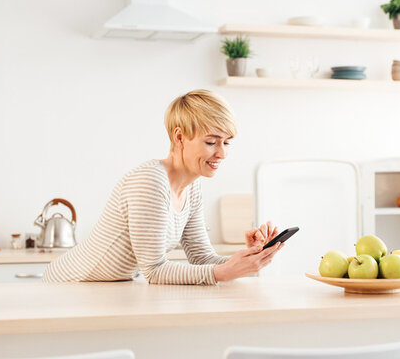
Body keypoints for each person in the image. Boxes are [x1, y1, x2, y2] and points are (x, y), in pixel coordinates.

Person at [43, 89, 283, 285]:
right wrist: (224, 272)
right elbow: (155, 271)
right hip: (67, 285)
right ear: (179, 138)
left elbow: (202, 259)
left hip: (100, 288)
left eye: (227, 143)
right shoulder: (150, 180)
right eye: (211, 142)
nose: (222, 153)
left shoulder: (193, 187)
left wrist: (248, 259)